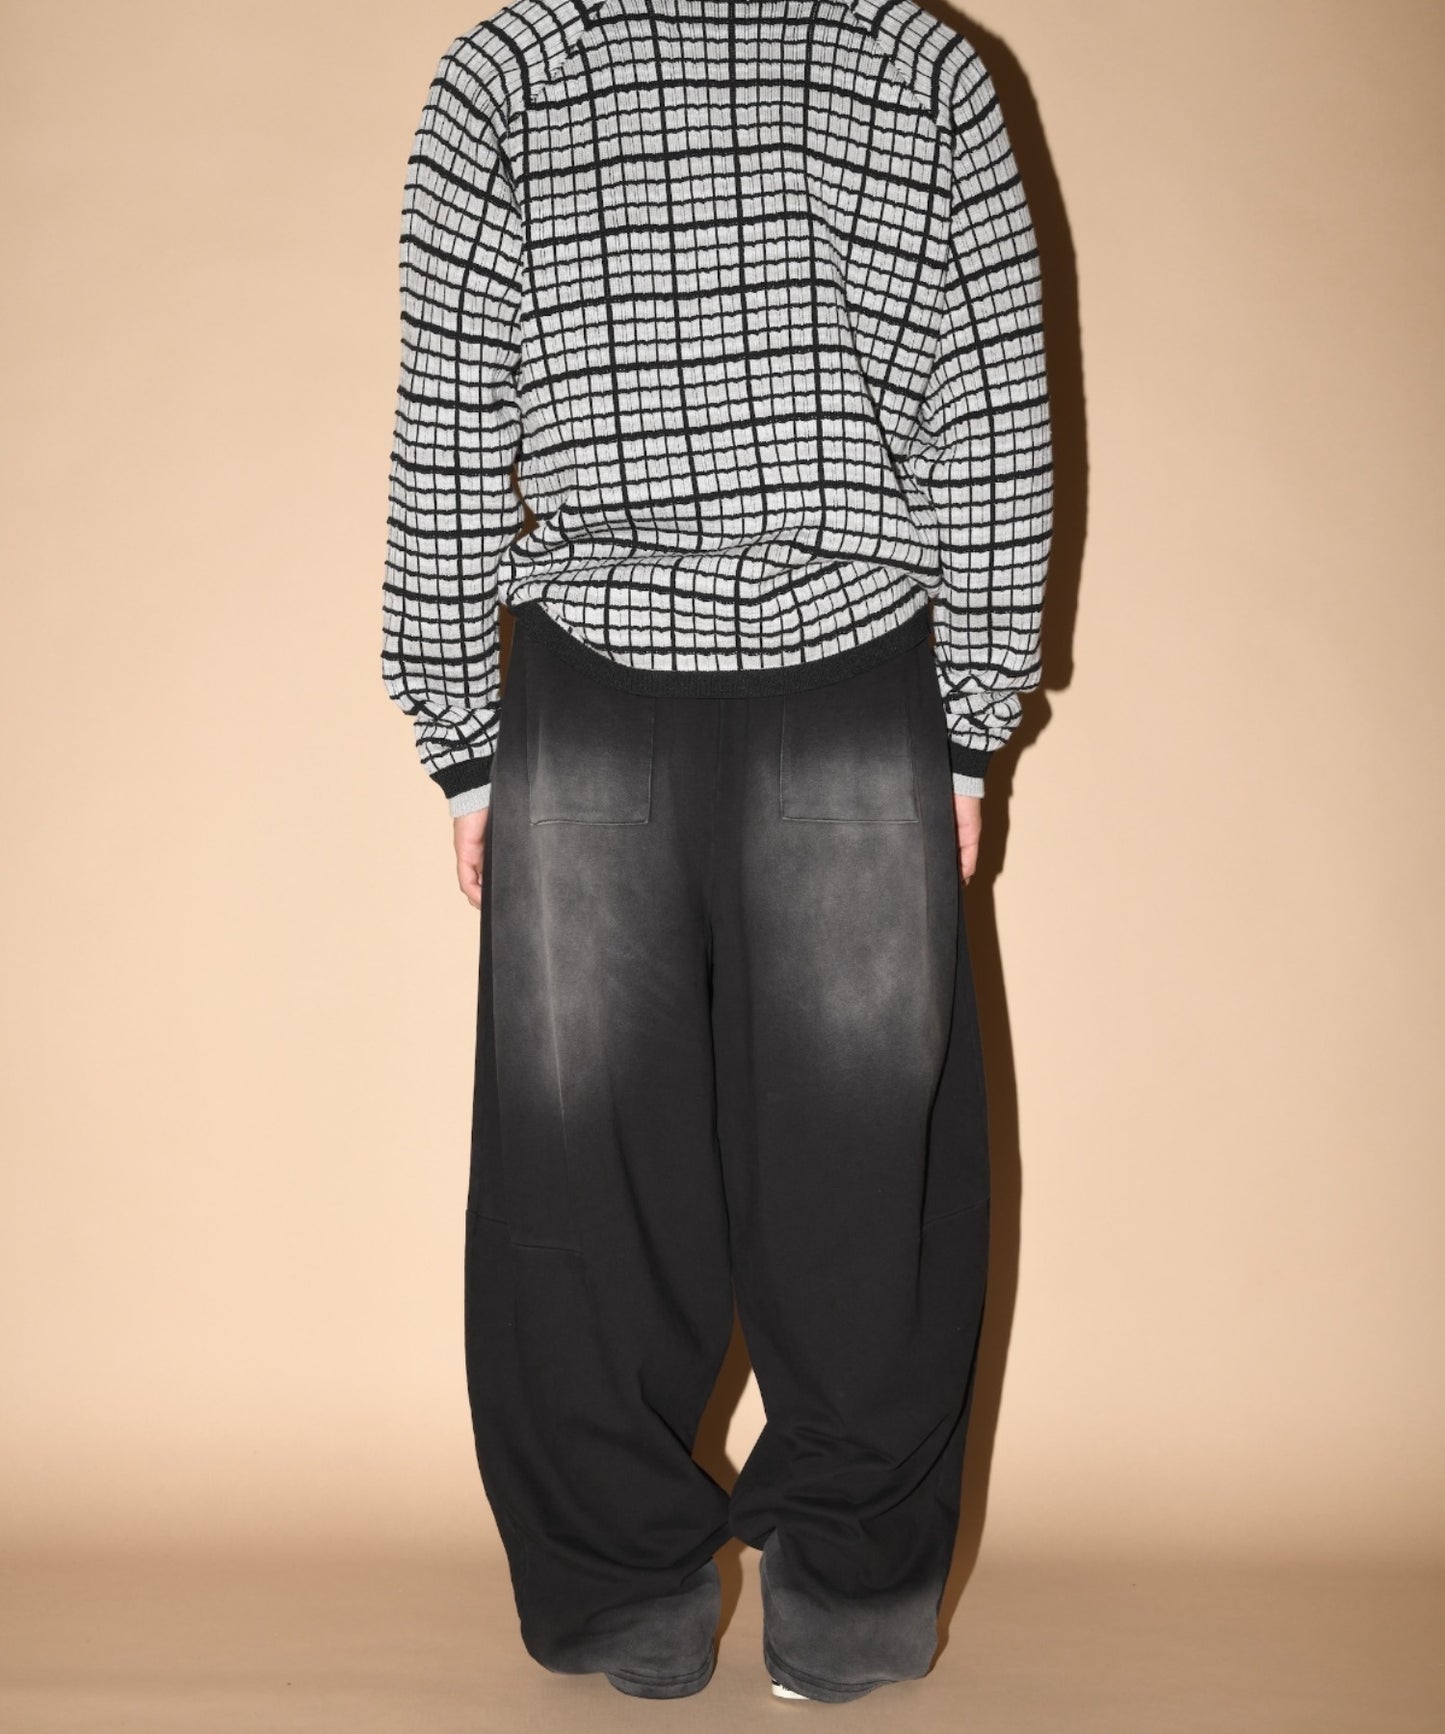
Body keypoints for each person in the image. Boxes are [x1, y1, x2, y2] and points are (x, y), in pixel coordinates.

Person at [381, 0, 1051, 1705]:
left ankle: (621, 1600)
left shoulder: (512, 68)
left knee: (579, 1180)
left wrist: (463, 734)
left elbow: (447, 418)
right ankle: (852, 1606)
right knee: (867, 1182)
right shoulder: (913, 63)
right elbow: (993, 417)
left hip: (593, 695)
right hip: (857, 682)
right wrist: (967, 720)